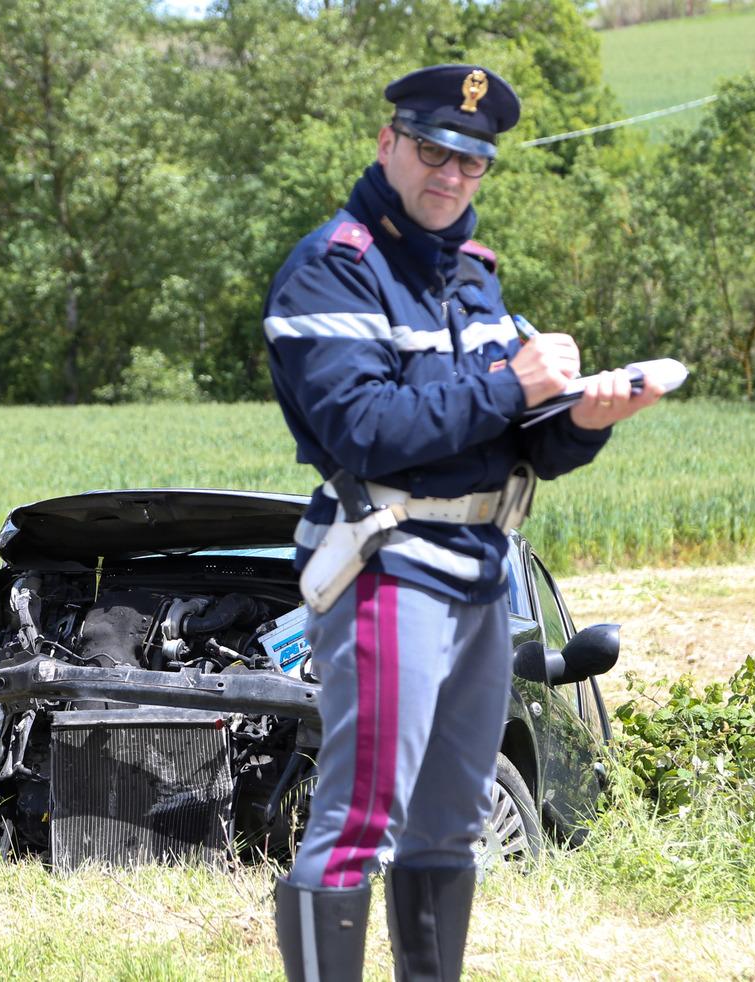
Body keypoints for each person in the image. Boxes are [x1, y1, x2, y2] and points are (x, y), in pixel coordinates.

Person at [263, 64, 664, 981]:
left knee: (451, 821)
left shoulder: (476, 278)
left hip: (483, 575)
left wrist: (584, 418)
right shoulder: (333, 267)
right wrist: (509, 385)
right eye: (433, 151)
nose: (450, 175)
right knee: (363, 817)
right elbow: (365, 429)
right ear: (388, 145)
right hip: (386, 566)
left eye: (471, 162)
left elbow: (520, 440)